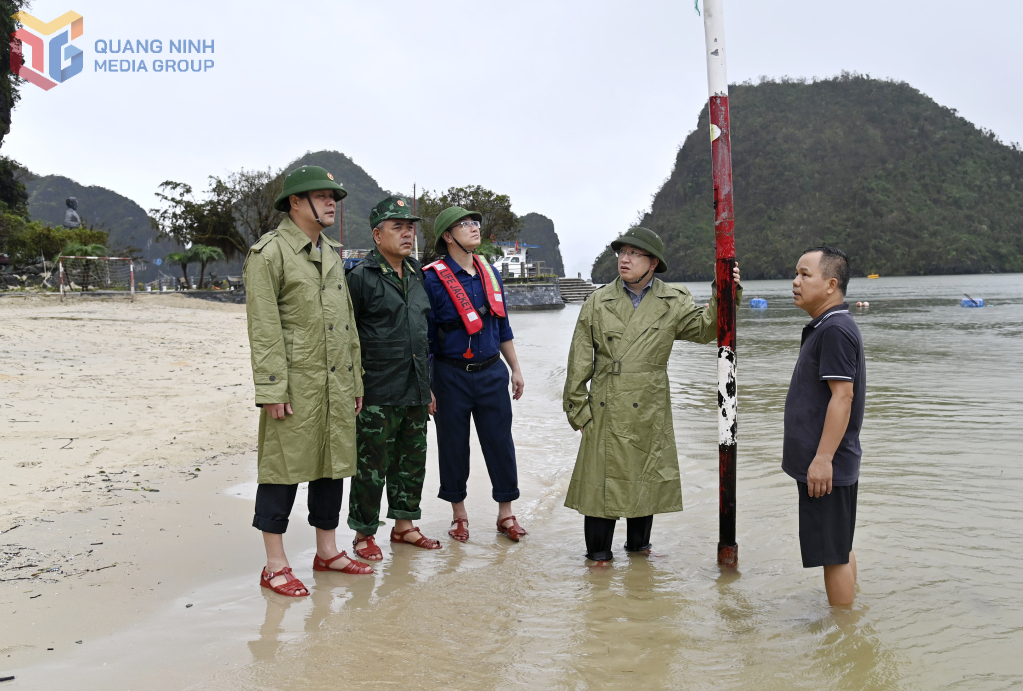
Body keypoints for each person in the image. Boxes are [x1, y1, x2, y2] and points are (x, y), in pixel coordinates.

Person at [562, 227, 741, 564]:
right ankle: (598, 560)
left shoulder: (673, 299)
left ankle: (639, 556)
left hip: (650, 404)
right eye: (622, 253)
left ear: (653, 262)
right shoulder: (598, 301)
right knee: (602, 486)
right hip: (605, 403)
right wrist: (578, 412)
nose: (624, 259)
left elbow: (708, 329)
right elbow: (579, 361)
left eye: (634, 253)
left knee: (643, 477)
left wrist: (725, 289)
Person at [244, 165, 374, 598]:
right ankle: (275, 564)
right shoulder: (269, 254)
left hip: (336, 381)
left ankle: (327, 551)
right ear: (295, 202)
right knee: (281, 469)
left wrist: (355, 380)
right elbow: (263, 327)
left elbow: (347, 324)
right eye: (321, 196)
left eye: (333, 197)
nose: (331, 202)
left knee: (331, 464)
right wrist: (271, 388)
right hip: (295, 382)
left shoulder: (333, 254)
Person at [423, 206, 527, 543]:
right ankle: (459, 515)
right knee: (453, 445)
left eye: (475, 223)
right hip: (449, 374)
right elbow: (424, 337)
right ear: (447, 236)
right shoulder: (431, 277)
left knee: (500, 443)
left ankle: (506, 513)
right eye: (464, 224)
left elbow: (503, 324)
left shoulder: (490, 272)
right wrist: (428, 386)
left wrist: (515, 369)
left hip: (491, 373)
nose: (474, 227)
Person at [345, 195, 441, 561]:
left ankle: (405, 526)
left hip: (415, 386)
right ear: (376, 234)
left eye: (410, 227)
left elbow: (422, 331)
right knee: (371, 465)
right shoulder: (359, 278)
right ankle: (363, 533)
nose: (407, 233)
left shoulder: (417, 273)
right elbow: (347, 337)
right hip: (376, 389)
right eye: (397, 227)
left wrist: (428, 384)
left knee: (412, 459)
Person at [784, 246, 864, 606]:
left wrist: (823, 458)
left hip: (827, 467)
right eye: (796, 274)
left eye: (805, 274)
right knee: (839, 547)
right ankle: (851, 621)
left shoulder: (834, 329)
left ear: (831, 285)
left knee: (832, 555)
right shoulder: (829, 326)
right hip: (831, 464)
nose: (795, 281)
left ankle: (844, 639)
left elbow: (842, 397)